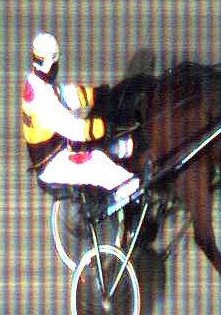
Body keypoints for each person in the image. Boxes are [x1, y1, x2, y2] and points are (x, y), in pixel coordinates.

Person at [22, 32, 141, 209]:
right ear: (51, 61)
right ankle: (125, 188)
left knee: (116, 145)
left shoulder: (38, 82)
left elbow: (66, 95)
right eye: (56, 62)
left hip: (61, 148)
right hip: (53, 163)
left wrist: (95, 95)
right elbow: (73, 129)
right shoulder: (41, 98)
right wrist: (104, 127)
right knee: (96, 161)